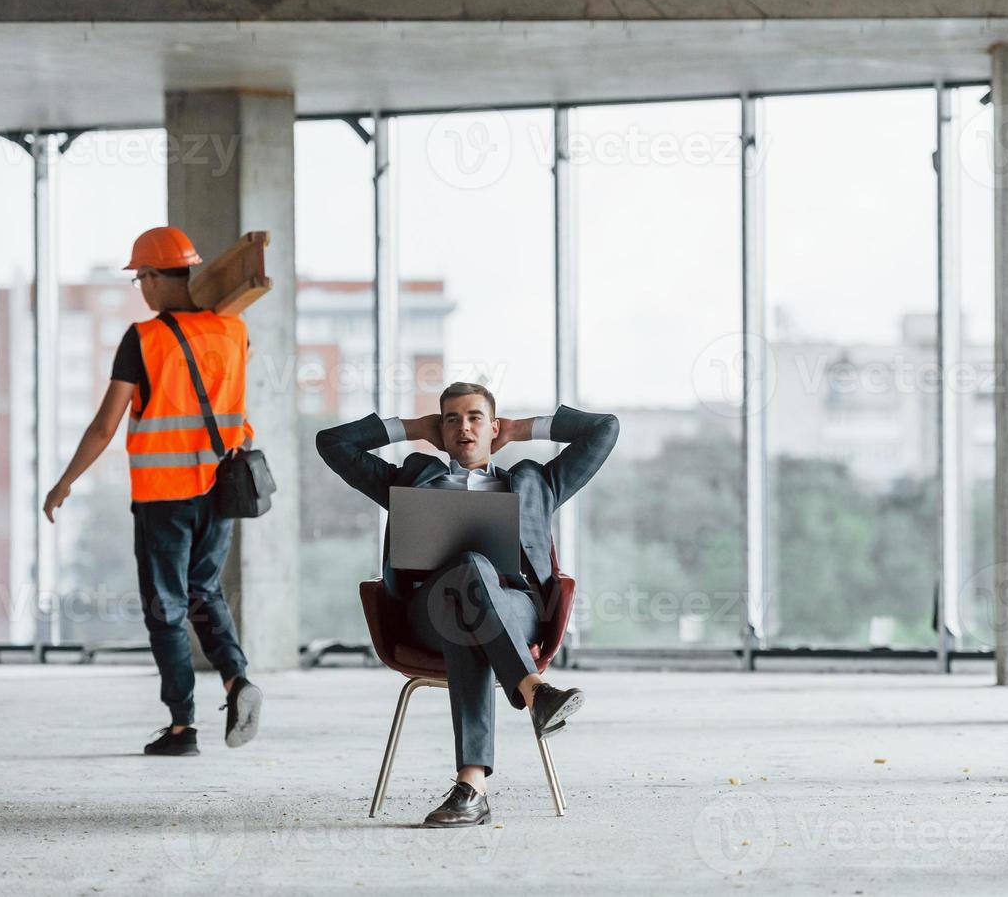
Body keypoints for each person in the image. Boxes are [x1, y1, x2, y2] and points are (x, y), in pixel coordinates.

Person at [316, 382, 619, 827]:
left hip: (515, 609)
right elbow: (332, 442)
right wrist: (413, 428)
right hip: (427, 614)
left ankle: (472, 788)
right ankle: (534, 692)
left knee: (467, 606)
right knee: (464, 583)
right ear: (440, 429)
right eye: (452, 419)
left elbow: (604, 430)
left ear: (493, 427)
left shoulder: (537, 482)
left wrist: (524, 428)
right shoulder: (410, 478)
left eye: (475, 417)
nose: (464, 427)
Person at [42, 226, 263, 757]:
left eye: (142, 276)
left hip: (166, 496)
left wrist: (65, 481)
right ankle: (236, 679)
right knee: (204, 592)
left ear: (160, 277)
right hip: (222, 486)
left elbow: (104, 425)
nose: (140, 287)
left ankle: (182, 726)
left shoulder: (143, 339)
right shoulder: (234, 331)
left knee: (166, 606)